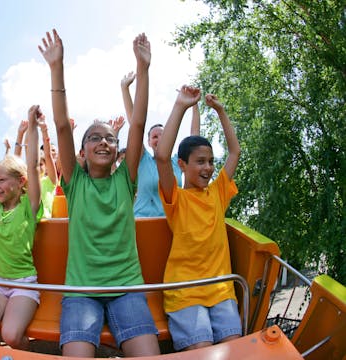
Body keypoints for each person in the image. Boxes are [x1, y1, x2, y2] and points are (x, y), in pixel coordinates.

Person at [39, 29, 160, 357]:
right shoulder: (75, 183)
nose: (104, 141)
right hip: (82, 292)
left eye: (109, 138)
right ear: (83, 150)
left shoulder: (125, 179)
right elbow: (62, 125)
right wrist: (56, 68)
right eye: (94, 137)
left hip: (127, 289)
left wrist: (143, 70)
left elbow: (137, 125)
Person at [155, 86, 242, 351]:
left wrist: (221, 111)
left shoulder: (217, 193)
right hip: (186, 290)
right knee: (201, 346)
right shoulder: (176, 198)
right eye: (200, 162)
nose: (208, 168)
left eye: (210, 162)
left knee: (232, 346)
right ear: (182, 165)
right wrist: (181, 106)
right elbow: (161, 156)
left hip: (221, 290)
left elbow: (235, 152)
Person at [0, 108, 43, 350]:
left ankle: (26, 351)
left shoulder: (29, 206)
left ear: (20, 182)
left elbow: (33, 166)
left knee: (12, 335)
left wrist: (33, 128)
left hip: (23, 282)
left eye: (2, 181)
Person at [121, 72, 200, 217]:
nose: (159, 139)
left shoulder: (177, 162)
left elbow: (195, 140)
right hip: (142, 222)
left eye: (162, 135)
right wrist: (125, 89)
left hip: (170, 223)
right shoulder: (143, 160)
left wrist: (194, 106)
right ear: (149, 142)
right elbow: (135, 126)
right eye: (154, 136)